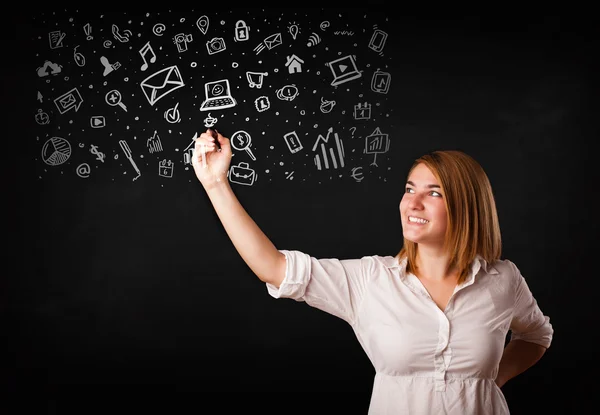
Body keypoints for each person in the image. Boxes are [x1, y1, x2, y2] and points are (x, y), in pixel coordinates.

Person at [191, 129, 554, 414]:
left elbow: (537, 335)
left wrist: (491, 381)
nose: (412, 202)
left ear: (466, 207)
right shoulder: (370, 280)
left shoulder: (502, 280)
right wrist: (216, 183)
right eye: (409, 189)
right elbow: (273, 268)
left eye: (434, 193)